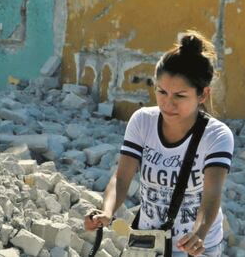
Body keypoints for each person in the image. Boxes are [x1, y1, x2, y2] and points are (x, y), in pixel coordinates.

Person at [84, 31, 234, 257]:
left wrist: (199, 234)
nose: (167, 103)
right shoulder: (142, 121)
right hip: (148, 242)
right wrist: (106, 212)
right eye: (161, 91)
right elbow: (121, 178)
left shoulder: (216, 136)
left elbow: (211, 195)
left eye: (180, 96)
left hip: (194, 248)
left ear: (202, 95)